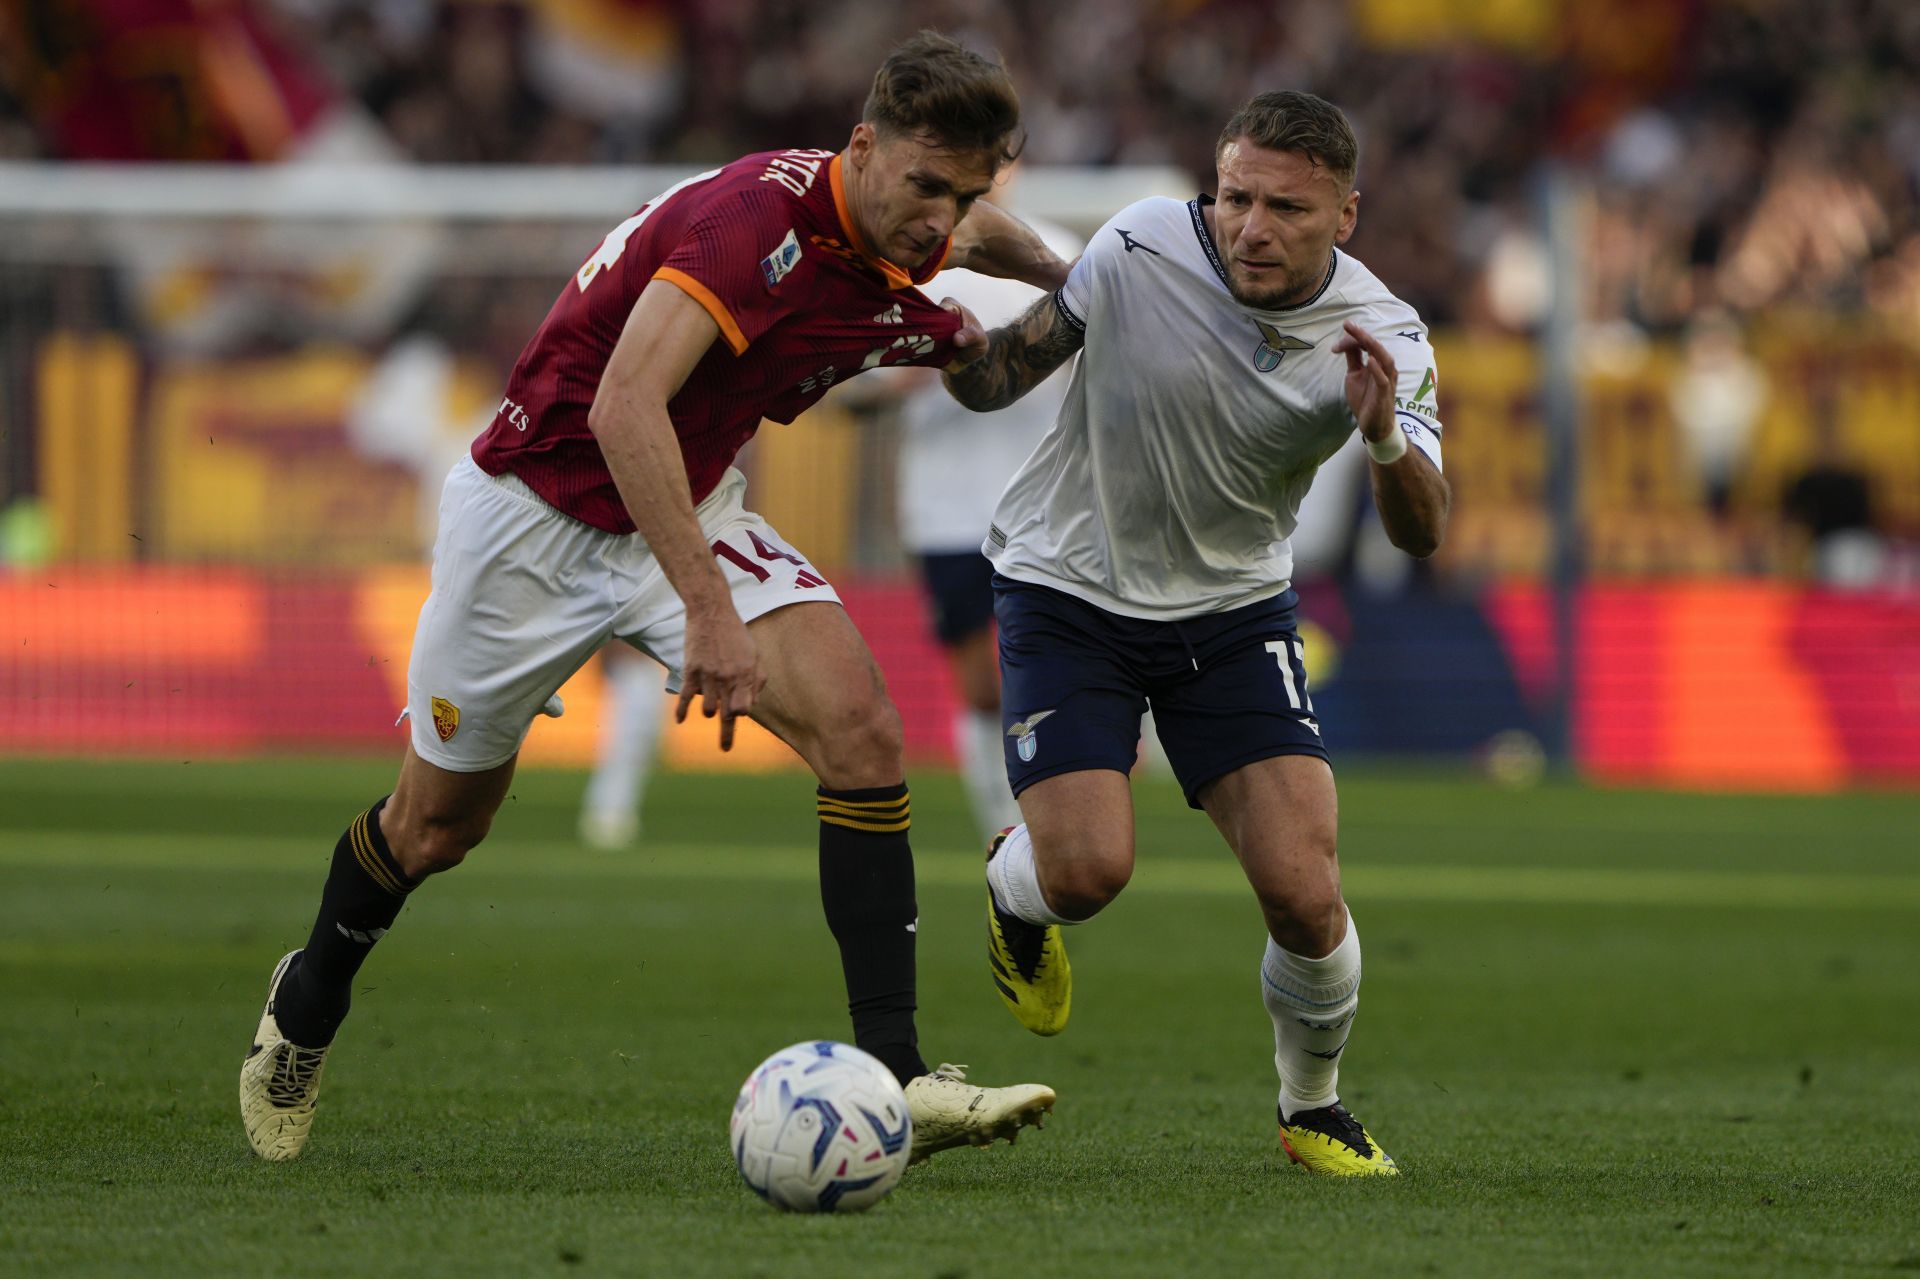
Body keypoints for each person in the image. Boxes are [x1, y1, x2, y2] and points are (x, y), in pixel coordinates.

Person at [241, 31, 1065, 1167]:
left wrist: (1069, 281)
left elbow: (976, 271)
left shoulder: (902, 235)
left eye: (963, 193)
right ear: (862, 147)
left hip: (683, 501)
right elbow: (627, 405)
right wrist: (708, 612)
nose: (941, 219)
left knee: (864, 729)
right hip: (535, 513)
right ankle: (310, 996)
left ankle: (900, 1073)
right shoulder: (751, 229)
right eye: (925, 185)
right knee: (437, 826)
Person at [942, 90, 1450, 1177]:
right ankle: (1012, 884)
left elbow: (1424, 531)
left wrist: (1381, 441)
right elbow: (999, 378)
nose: (1251, 227)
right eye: (1235, 198)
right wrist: (929, 330)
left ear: (1346, 216)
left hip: (1231, 611)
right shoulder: (1137, 246)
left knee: (1307, 895)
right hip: (1067, 587)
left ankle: (1310, 1106)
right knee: (1085, 874)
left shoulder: (1386, 336)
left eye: (1286, 209)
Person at [890, 174, 1082, 842]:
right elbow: (855, 390)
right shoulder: (907, 262)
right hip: (945, 508)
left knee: (1050, 672)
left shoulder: (1061, 258)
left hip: (1044, 505)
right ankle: (1002, 827)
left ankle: (1059, 816)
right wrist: (914, 368)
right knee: (979, 684)